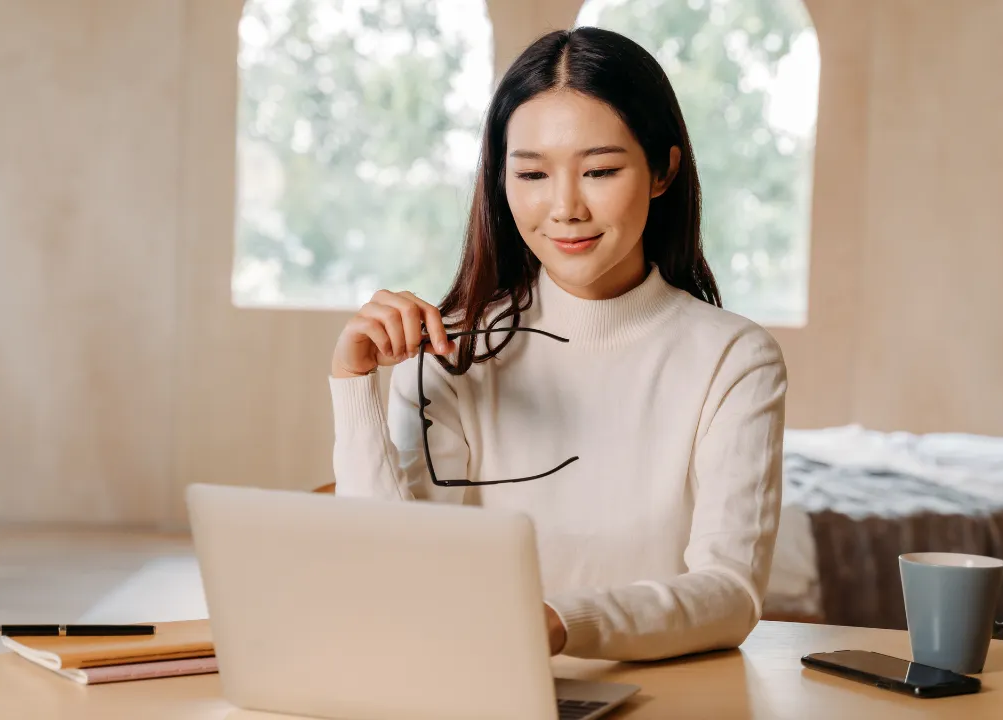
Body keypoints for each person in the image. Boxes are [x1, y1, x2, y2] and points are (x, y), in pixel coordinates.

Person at [328, 26, 786, 663]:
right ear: (501, 180)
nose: (564, 207)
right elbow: (389, 574)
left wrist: (559, 622)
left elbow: (730, 593)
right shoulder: (450, 350)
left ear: (662, 171)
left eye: (599, 170)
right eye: (533, 174)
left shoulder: (734, 360)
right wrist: (354, 389)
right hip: (479, 692)